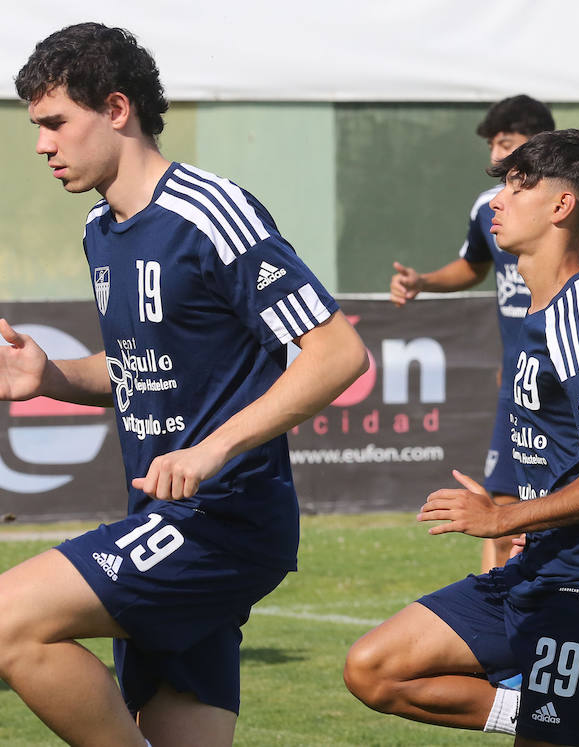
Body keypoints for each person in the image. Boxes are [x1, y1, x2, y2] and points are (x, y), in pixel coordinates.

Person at [0, 22, 368, 746]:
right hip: (160, 517)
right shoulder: (101, 229)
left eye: (54, 123)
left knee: (8, 619)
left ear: (114, 109)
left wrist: (212, 449)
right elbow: (143, 371)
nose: (41, 144)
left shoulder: (209, 212)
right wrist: (51, 376)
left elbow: (337, 353)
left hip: (222, 521)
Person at [344, 129, 579, 746]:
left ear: (562, 207)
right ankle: (551, 714)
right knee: (374, 669)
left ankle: (562, 718)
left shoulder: (577, 310)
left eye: (519, 187)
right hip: (542, 565)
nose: (498, 201)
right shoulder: (544, 308)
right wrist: (545, 519)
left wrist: (506, 516)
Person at [389, 95, 579, 572]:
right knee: (374, 651)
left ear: (560, 202)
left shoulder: (578, 309)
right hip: (526, 373)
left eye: (509, 149)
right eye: (494, 147)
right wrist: (425, 282)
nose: (496, 164)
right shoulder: (540, 291)